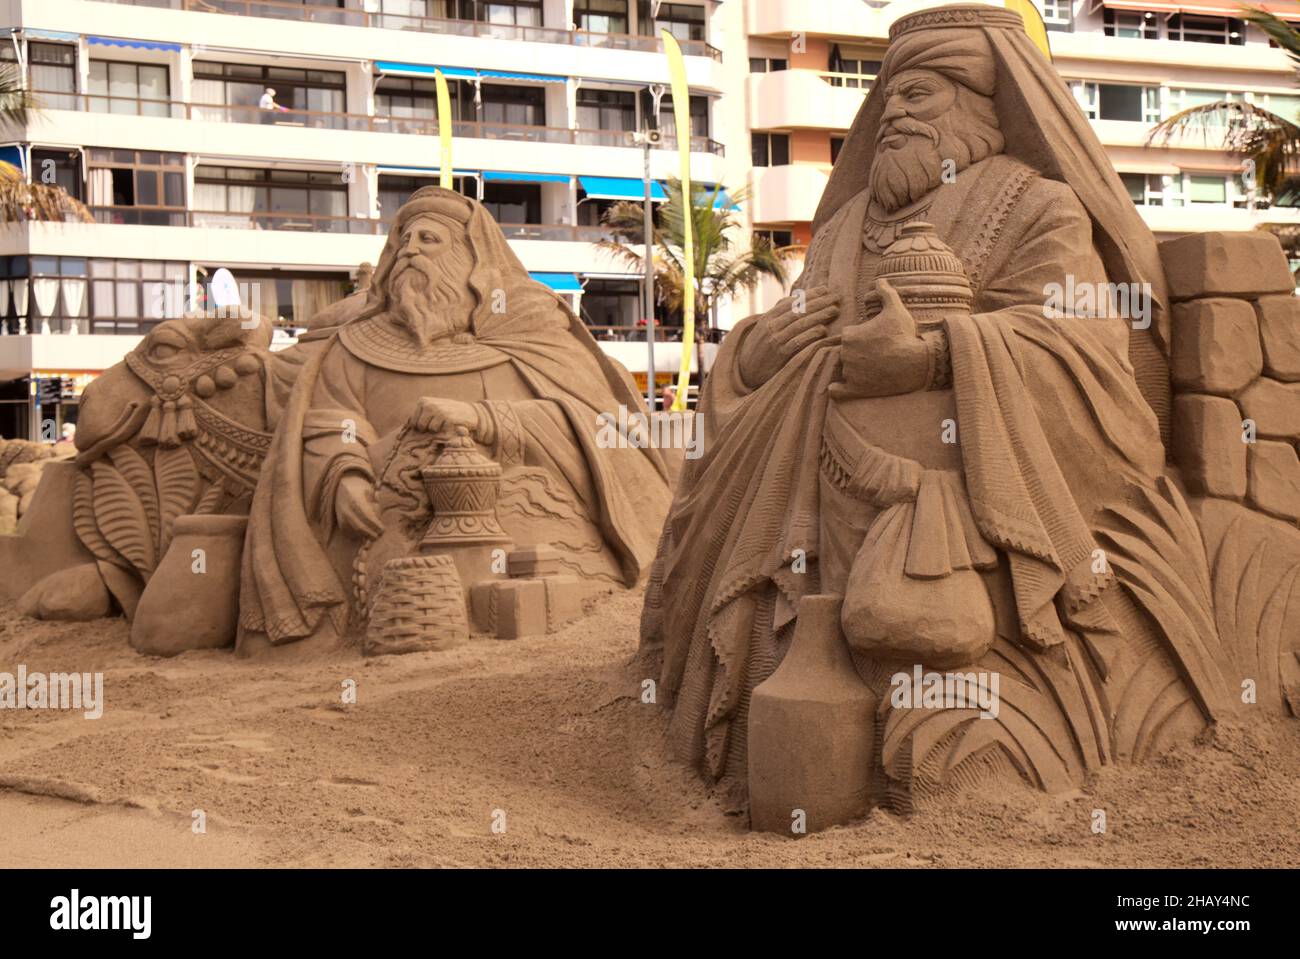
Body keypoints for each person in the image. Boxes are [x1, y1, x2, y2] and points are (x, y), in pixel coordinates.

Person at [642, 4, 1225, 805]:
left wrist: (936, 354)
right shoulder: (846, 226)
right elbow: (788, 328)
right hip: (816, 486)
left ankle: (980, 759)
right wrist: (756, 350)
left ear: (981, 105)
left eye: (919, 97)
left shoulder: (1035, 205)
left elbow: (1079, 343)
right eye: (887, 101)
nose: (892, 119)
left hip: (954, 498)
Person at [240, 187, 671, 646]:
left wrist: (483, 418)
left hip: (540, 528)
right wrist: (343, 474)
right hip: (390, 530)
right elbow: (328, 421)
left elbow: (596, 423)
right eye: (403, 242)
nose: (410, 252)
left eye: (429, 241)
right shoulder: (353, 346)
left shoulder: (531, 326)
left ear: (469, 256)